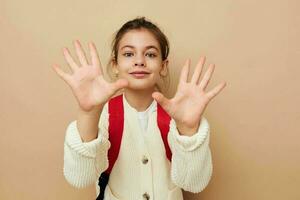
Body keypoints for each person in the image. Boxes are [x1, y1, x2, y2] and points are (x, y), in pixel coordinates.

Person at [52, 16, 226, 200]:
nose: (139, 61)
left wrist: (189, 130)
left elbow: (193, 183)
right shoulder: (104, 115)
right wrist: (89, 113)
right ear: (115, 65)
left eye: (150, 54)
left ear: (163, 66)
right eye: (128, 54)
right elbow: (80, 179)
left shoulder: (178, 116)